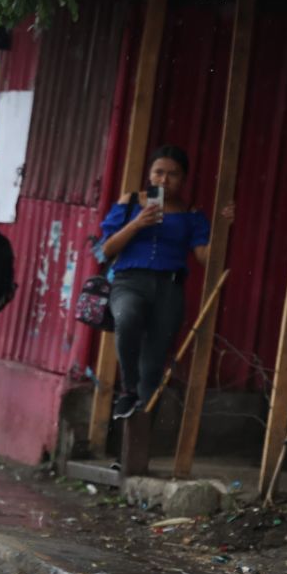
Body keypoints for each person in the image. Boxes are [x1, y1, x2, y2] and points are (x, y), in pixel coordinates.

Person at [99, 145, 234, 419]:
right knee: (126, 318)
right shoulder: (130, 203)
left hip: (169, 290)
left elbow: (205, 258)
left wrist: (222, 228)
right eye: (159, 172)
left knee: (153, 368)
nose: (164, 180)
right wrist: (137, 224)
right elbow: (105, 249)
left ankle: (137, 445)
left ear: (183, 179)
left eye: (173, 174)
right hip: (129, 282)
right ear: (149, 174)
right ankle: (127, 388)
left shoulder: (191, 213)